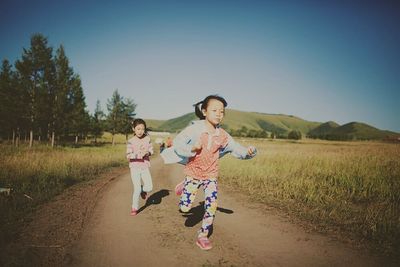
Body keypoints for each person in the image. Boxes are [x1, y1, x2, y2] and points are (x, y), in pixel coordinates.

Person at [160, 95, 257, 250]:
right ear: (204, 111)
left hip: (210, 176)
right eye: (215, 110)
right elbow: (178, 143)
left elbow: (236, 148)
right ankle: (185, 185)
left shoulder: (223, 135)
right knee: (184, 208)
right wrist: (192, 148)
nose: (219, 114)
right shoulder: (194, 129)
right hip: (193, 173)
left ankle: (203, 235)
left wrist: (249, 152)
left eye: (222, 111)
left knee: (211, 205)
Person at [126, 118, 154, 216]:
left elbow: (151, 151)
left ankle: (143, 190)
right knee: (136, 189)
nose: (140, 131)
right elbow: (128, 155)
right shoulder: (131, 141)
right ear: (133, 129)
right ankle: (134, 207)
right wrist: (138, 155)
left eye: (142, 129)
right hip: (134, 168)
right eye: (138, 129)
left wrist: (147, 152)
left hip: (145, 166)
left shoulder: (148, 139)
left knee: (150, 187)